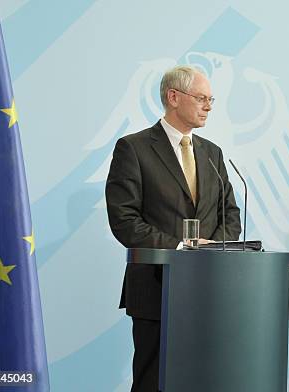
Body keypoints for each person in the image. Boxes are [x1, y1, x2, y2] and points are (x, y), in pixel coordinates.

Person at [105, 65, 241, 392]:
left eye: (211, 99)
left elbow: (231, 215)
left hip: (208, 288)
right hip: (157, 288)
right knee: (154, 380)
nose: (208, 106)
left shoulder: (212, 153)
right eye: (201, 98)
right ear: (173, 97)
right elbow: (124, 219)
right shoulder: (134, 148)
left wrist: (210, 249)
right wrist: (181, 250)